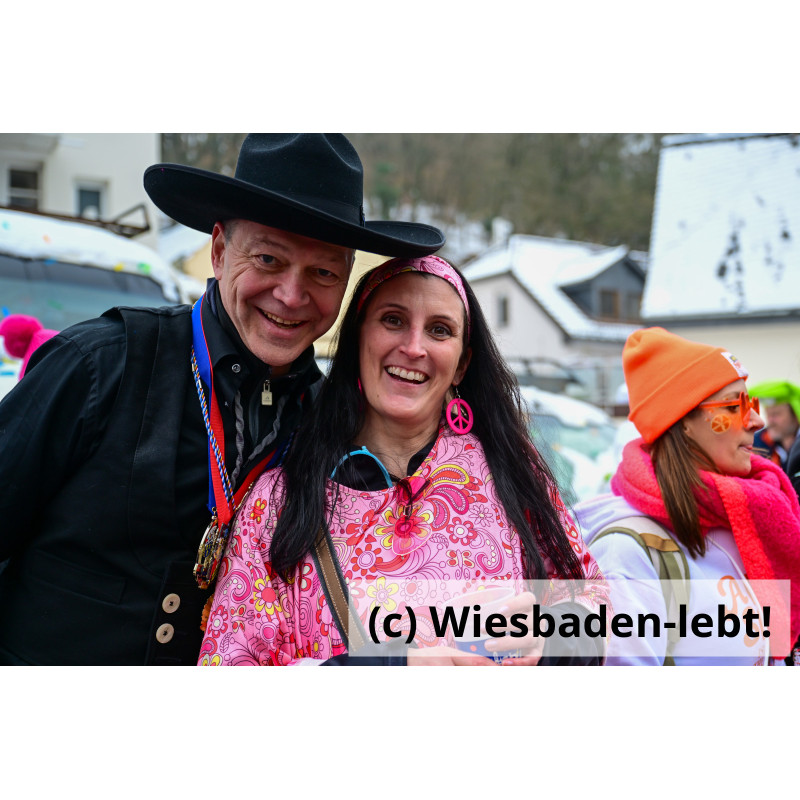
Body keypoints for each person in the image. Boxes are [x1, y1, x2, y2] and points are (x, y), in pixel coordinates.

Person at [0, 134, 445, 665]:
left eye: (323, 272)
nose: (291, 295)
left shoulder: (335, 425)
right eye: (268, 259)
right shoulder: (101, 364)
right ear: (218, 251)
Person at [198, 255, 608, 666]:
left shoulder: (511, 470)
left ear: (462, 364)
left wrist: (550, 638)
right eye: (393, 320)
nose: (413, 347)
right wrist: (387, 667)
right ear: (358, 341)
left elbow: (595, 605)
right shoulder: (278, 501)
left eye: (439, 330)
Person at [575, 327, 800, 665]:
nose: (756, 421)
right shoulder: (629, 551)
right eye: (734, 405)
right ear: (683, 421)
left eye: (751, 403)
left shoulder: (748, 517)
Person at [749, 380, 800, 471]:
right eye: (768, 415)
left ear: (795, 415)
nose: (770, 420)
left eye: (776, 414)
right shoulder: (756, 443)